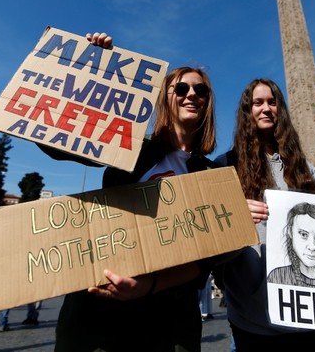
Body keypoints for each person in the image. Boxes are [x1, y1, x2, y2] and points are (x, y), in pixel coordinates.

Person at [41, 32, 221, 352]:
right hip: (100, 313)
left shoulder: (212, 175)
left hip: (168, 322)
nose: (191, 94)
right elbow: (58, 141)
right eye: (180, 88)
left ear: (208, 102)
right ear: (165, 98)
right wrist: (92, 66)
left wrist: (147, 286)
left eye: (200, 89)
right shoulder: (129, 145)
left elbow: (205, 260)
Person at [214, 78, 315, 351]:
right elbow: (212, 236)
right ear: (246, 111)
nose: (266, 108)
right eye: (258, 103)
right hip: (255, 321)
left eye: (272, 102)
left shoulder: (303, 167)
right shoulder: (225, 167)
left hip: (313, 316)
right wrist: (234, 215)